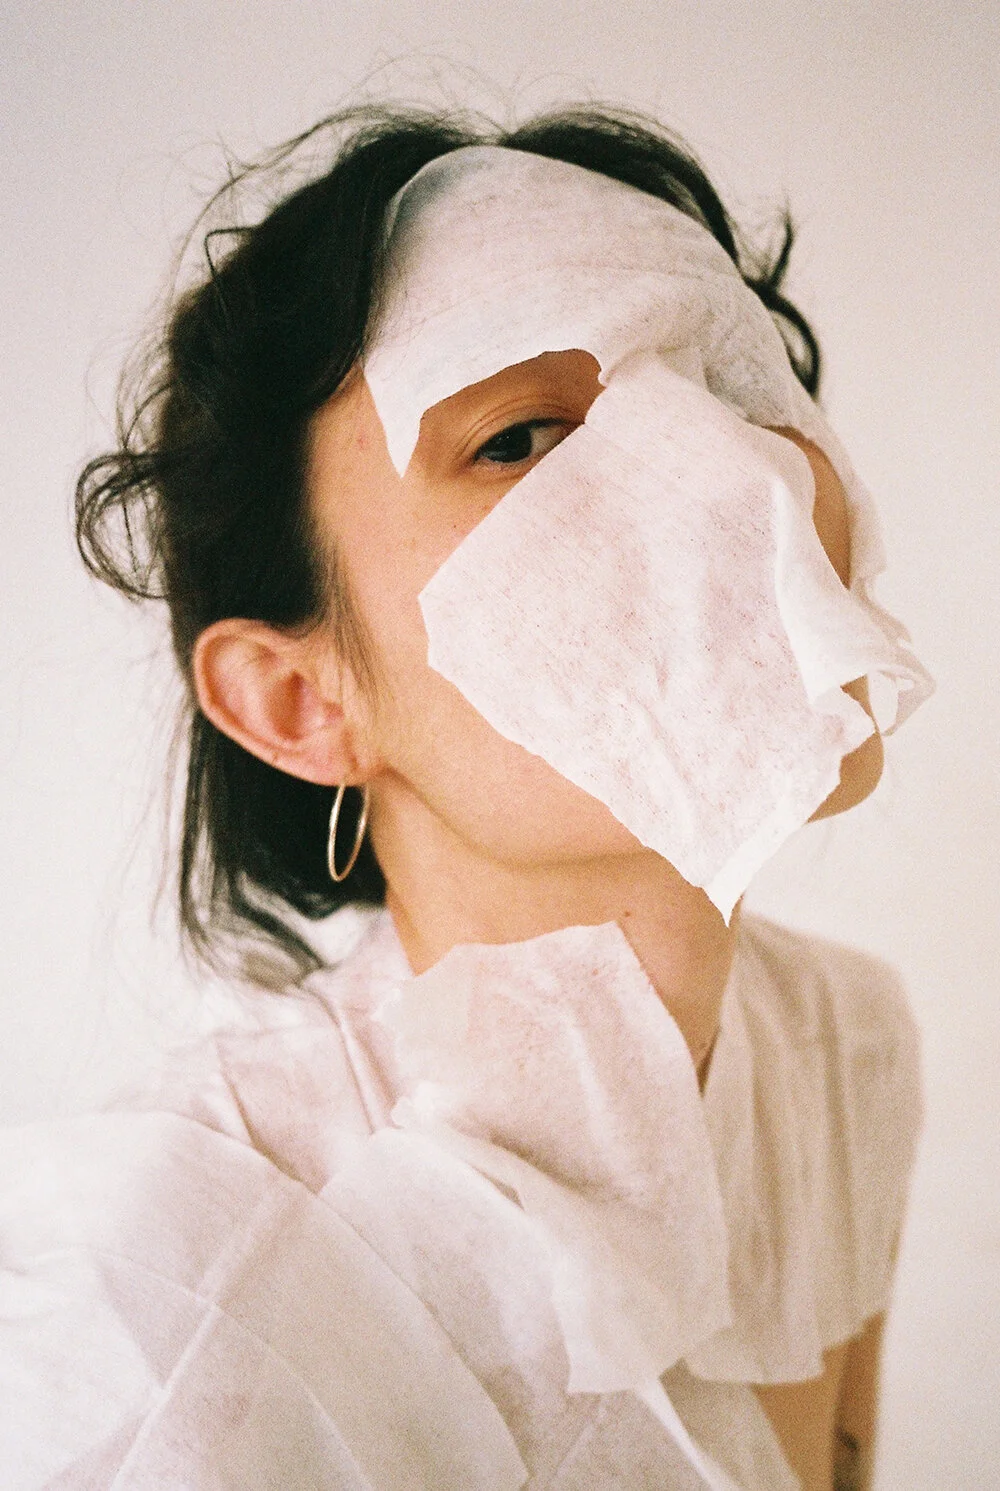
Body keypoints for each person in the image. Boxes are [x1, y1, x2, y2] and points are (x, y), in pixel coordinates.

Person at [0, 106, 930, 1491]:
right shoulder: (152, 1309)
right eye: (524, 437)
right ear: (302, 701)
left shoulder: (841, 1051)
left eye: (737, 386)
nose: (743, 479)